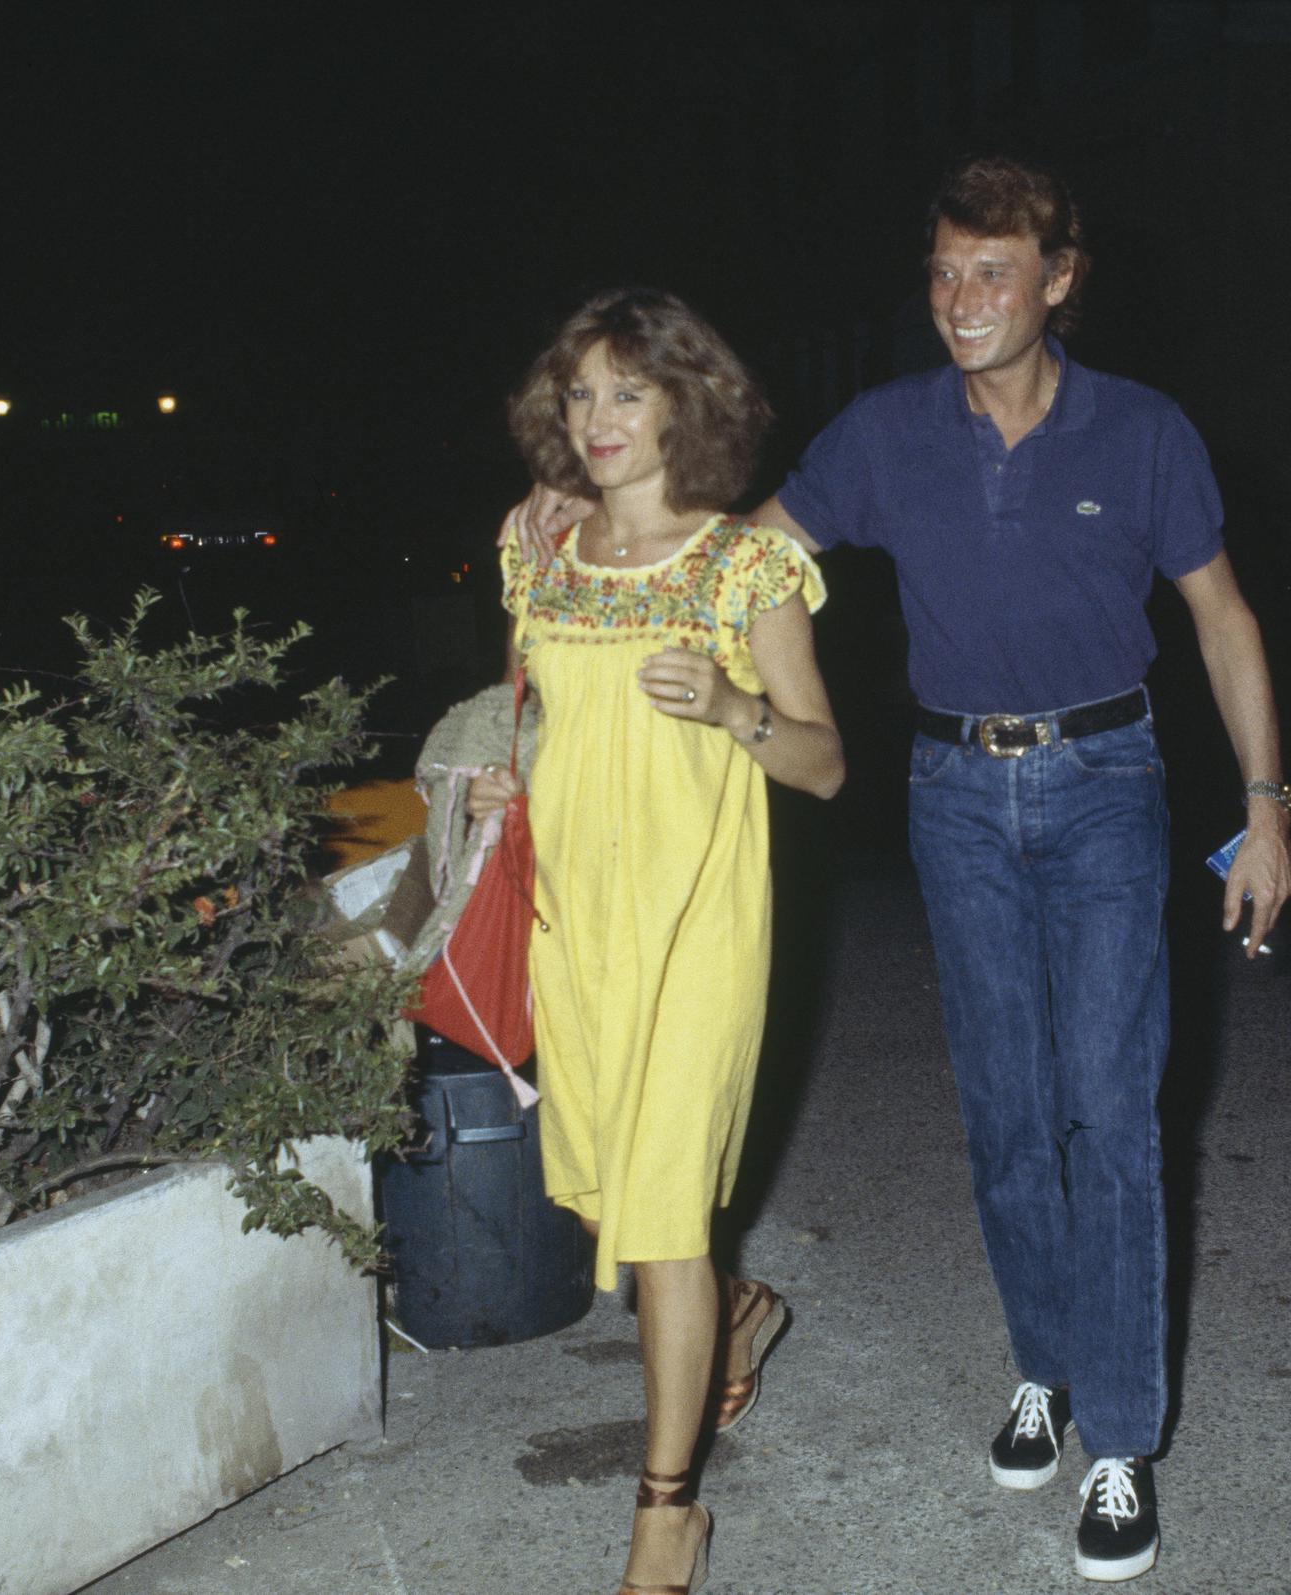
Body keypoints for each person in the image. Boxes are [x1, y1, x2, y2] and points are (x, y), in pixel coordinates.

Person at [516, 158, 1291, 1584]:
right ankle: (1041, 1372)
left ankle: (1120, 1442)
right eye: (943, 273)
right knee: (1005, 1112)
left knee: (1109, 1114)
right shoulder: (885, 434)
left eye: (993, 273)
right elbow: (725, 555)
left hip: (1107, 781)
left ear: (1060, 279)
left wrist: (1268, 809)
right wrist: (564, 506)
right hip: (952, 789)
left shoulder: (1141, 433)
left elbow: (1225, 620)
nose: (960, 301)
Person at [472, 286, 844, 1595]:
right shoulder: (539, 554)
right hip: (579, 925)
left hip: (699, 923)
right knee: (625, 1219)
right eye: (580, 393)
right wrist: (500, 782)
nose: (600, 418)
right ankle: (744, 1318)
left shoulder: (746, 568)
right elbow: (543, 725)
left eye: (629, 391)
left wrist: (734, 706)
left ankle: (666, 1513)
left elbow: (824, 765)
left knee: (667, 1224)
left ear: (691, 401)